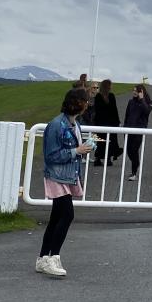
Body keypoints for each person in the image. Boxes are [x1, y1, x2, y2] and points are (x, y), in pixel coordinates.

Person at [37, 87, 94, 278]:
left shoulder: (73, 124)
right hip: (57, 175)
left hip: (65, 175)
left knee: (56, 217)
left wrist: (82, 148)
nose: (87, 105)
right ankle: (53, 257)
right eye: (85, 101)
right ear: (77, 103)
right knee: (67, 215)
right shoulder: (57, 125)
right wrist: (76, 151)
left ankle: (44, 258)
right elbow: (51, 155)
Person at [122, 83, 152, 181]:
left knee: (134, 151)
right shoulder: (130, 102)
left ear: (142, 92)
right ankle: (136, 166)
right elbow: (127, 116)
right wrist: (124, 127)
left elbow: (147, 111)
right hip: (128, 130)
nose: (134, 92)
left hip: (139, 130)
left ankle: (134, 173)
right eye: (134, 90)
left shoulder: (148, 102)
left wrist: (142, 99)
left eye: (137, 91)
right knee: (129, 151)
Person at [90, 78, 121, 166]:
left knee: (100, 141)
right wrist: (117, 122)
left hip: (100, 123)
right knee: (110, 141)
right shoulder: (111, 96)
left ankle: (98, 159)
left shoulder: (98, 96)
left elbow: (97, 111)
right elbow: (114, 110)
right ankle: (107, 159)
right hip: (110, 123)